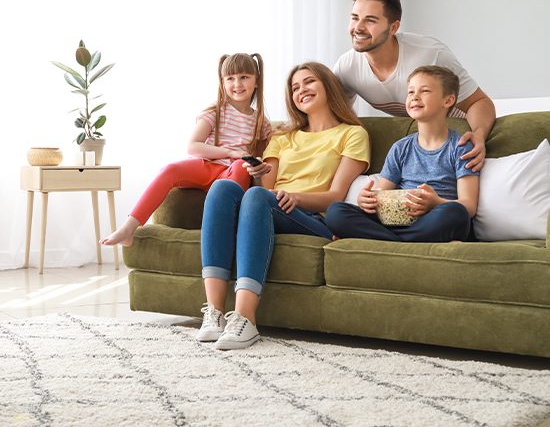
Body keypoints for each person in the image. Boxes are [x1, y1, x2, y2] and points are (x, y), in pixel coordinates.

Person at [197, 62, 370, 350]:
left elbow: (337, 195)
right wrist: (259, 175)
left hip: (314, 217)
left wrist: (296, 197)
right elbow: (267, 189)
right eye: (295, 87)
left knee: (257, 198)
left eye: (309, 82)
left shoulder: (352, 134)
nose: (301, 90)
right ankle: (214, 313)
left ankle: (245, 318)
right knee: (223, 187)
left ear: (328, 85)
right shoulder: (282, 137)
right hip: (274, 205)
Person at [100, 53, 271, 247]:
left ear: (256, 81)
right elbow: (193, 146)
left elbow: (263, 157)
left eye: (244, 77)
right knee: (170, 169)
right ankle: (128, 228)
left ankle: (232, 233)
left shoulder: (261, 123)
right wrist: (229, 152)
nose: (237, 84)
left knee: (241, 166)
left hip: (231, 174)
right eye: (230, 78)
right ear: (222, 82)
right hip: (207, 166)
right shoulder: (215, 112)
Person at [333, 0, 496, 171]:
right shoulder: (346, 68)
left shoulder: (430, 55)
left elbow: (479, 102)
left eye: (370, 20)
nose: (358, 28)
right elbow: (335, 118)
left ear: (393, 27)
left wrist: (479, 135)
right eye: (354, 18)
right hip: (419, 137)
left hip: (459, 132)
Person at [325, 65, 479, 243]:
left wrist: (435, 202)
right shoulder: (400, 148)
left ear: (448, 100)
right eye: (411, 92)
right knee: (336, 212)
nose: (414, 97)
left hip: (436, 218)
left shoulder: (460, 147)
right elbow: (382, 195)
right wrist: (367, 200)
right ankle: (402, 242)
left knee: (456, 213)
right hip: (397, 221)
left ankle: (385, 241)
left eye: (425, 91)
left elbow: (469, 206)